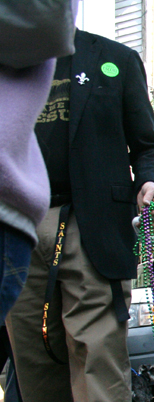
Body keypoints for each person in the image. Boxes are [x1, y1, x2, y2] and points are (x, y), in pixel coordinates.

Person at [6, 28, 154, 402]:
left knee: (97, 359)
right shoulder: (7, 57)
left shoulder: (113, 59)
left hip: (91, 223)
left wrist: (152, 180)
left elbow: (148, 145)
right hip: (15, 221)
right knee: (35, 364)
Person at [0, 0, 77, 322]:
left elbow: (48, 14)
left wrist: (150, 179)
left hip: (84, 223)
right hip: (29, 215)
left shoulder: (117, 58)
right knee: (30, 359)